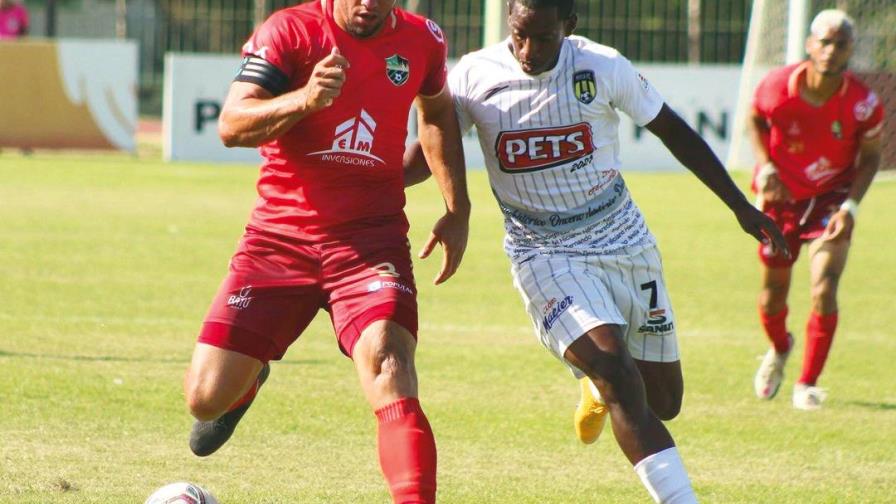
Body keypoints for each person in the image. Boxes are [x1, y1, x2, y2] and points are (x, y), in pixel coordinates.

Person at [404, 0, 788, 501]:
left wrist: (741, 206)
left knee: (663, 401)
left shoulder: (601, 67)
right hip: (541, 247)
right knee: (614, 368)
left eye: (542, 38)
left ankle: (592, 380)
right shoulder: (476, 75)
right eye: (519, 34)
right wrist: (361, 185)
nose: (527, 49)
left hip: (623, 238)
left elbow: (673, 131)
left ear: (570, 26)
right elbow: (429, 148)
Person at [182, 1, 470, 503]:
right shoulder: (289, 31)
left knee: (390, 363)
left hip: (370, 242)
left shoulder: (423, 40)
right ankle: (248, 383)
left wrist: (457, 206)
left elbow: (439, 113)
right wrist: (304, 100)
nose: (367, 4)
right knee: (205, 400)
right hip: (278, 241)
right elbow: (231, 124)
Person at [749, 9, 883, 411]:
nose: (830, 50)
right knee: (773, 297)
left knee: (825, 286)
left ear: (850, 50)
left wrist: (852, 206)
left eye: (840, 44)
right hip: (782, 200)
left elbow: (871, 158)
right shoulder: (777, 86)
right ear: (810, 45)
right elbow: (755, 120)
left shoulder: (863, 103)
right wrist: (767, 166)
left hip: (831, 198)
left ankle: (807, 383)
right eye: (824, 42)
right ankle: (779, 347)